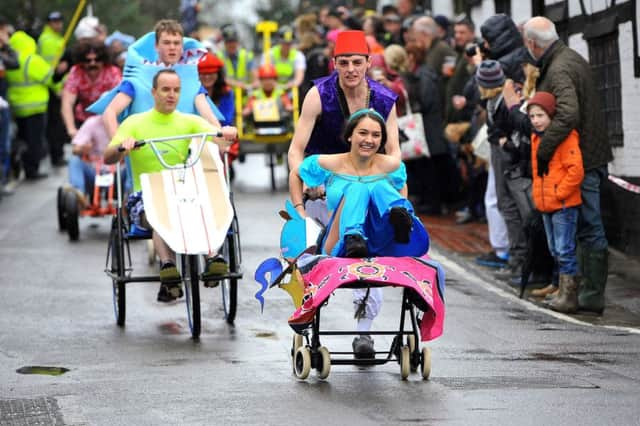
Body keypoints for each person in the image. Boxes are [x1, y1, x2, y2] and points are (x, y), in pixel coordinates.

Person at [290, 108, 429, 357]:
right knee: (359, 188)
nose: (369, 140)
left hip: (380, 239)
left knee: (376, 188)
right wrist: (300, 210)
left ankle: (400, 215)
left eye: (376, 135)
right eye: (363, 133)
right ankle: (355, 234)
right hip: (340, 243)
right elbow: (296, 173)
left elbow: (402, 184)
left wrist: (400, 204)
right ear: (350, 136)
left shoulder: (391, 165)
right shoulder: (328, 162)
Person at [104, 69, 229, 302]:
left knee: (204, 205)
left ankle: (212, 257)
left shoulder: (188, 121)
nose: (171, 95)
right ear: (154, 92)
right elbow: (108, 157)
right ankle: (168, 266)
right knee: (159, 211)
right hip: (146, 195)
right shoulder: (134, 123)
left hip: (181, 190)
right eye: (165, 89)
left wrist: (227, 134)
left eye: (176, 90)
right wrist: (122, 146)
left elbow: (220, 140)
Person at [516, 17, 613, 314]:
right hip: (587, 155)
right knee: (584, 228)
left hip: (579, 160)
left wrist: (544, 149)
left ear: (532, 44)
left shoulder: (558, 68)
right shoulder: (569, 57)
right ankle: (581, 291)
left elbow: (568, 113)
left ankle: (590, 294)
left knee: (587, 227)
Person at [288, 29, 401, 211]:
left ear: (368, 62)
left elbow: (394, 150)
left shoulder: (385, 99)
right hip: (325, 182)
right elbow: (296, 149)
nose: (350, 69)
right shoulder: (318, 94)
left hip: (369, 179)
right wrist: (307, 181)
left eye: (357, 62)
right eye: (344, 63)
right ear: (334, 64)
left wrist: (386, 178)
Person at [100, 20, 234, 141]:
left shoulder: (191, 79)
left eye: (176, 43)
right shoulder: (138, 78)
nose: (172, 47)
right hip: (145, 154)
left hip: (184, 157)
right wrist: (118, 144)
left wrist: (221, 133)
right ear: (156, 46)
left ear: (182, 47)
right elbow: (109, 113)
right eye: (166, 42)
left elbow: (208, 115)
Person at [527, 92, 584, 313]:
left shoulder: (566, 137)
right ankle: (560, 290)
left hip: (563, 204)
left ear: (551, 114)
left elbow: (575, 170)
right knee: (555, 248)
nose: (536, 120)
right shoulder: (536, 138)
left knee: (564, 249)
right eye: (532, 116)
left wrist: (559, 193)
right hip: (546, 204)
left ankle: (569, 296)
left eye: (540, 115)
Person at [5, 30, 55, 180]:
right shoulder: (32, 60)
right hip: (35, 107)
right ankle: (32, 170)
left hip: (17, 107)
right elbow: (50, 78)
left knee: (22, 139)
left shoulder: (9, 60)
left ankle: (20, 164)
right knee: (35, 140)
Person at [62, 41, 122, 139]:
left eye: (97, 59)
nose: (92, 63)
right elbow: (67, 102)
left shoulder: (113, 72)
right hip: (83, 120)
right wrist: (71, 129)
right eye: (87, 60)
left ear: (103, 60)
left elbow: (120, 99)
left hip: (107, 121)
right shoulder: (76, 72)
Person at [38, 11, 71, 167]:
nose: (58, 24)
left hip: (57, 86)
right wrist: (58, 87)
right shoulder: (48, 40)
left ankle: (58, 154)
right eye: (54, 21)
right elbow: (52, 69)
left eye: (59, 21)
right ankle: (56, 155)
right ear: (48, 23)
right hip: (54, 88)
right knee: (55, 124)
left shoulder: (56, 39)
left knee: (57, 123)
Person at [0, 16, 19, 193]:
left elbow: (15, 63)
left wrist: (5, 46)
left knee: (4, 146)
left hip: (3, 106)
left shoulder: (5, 52)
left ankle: (3, 180)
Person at [264, 26, 306, 90]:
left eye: (289, 43)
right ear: (279, 42)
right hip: (272, 88)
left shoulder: (298, 56)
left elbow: (299, 78)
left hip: (290, 89)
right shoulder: (270, 54)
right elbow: (265, 74)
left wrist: (292, 84)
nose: (287, 46)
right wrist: (274, 84)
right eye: (284, 43)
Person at [217, 25, 256, 91]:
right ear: (224, 43)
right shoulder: (218, 57)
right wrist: (239, 85)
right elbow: (219, 78)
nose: (231, 44)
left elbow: (255, 78)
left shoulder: (247, 55)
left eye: (233, 41)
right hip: (226, 95)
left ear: (238, 41)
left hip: (245, 95)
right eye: (228, 42)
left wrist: (252, 85)